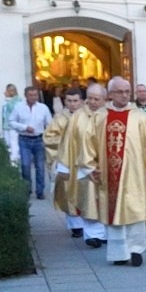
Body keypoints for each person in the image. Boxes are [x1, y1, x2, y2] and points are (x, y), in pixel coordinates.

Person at [81, 77, 146, 267]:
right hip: (109, 176)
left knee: (135, 209)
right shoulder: (100, 117)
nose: (125, 95)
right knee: (114, 213)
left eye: (127, 91)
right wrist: (90, 166)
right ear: (110, 94)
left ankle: (135, 250)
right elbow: (88, 143)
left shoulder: (140, 117)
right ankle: (118, 253)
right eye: (120, 91)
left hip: (136, 175)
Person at [58, 83, 108, 247]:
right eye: (90, 98)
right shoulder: (78, 116)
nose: (93, 102)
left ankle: (104, 233)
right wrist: (64, 167)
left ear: (104, 99)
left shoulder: (110, 115)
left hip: (106, 167)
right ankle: (92, 235)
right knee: (88, 201)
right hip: (83, 167)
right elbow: (67, 141)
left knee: (105, 200)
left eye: (97, 99)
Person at [44, 88, 85, 237]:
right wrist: (65, 146)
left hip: (85, 161)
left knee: (86, 192)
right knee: (68, 192)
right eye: (69, 101)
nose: (73, 104)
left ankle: (92, 225)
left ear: (81, 101)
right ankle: (76, 226)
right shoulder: (59, 118)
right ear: (65, 101)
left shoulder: (89, 116)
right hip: (66, 162)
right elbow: (49, 138)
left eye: (75, 101)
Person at [9, 85, 54, 199]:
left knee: (40, 166)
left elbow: (50, 124)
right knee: (25, 165)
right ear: (25, 96)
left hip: (39, 139)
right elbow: (11, 121)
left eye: (35, 95)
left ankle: (40, 191)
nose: (33, 97)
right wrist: (24, 127)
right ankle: (27, 189)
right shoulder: (18, 107)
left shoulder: (43, 108)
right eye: (31, 95)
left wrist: (48, 137)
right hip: (24, 139)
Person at [1, 83, 20, 165]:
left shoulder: (18, 100)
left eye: (12, 90)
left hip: (14, 126)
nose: (10, 92)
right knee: (7, 143)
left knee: (14, 143)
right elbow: (4, 112)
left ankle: (14, 162)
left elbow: (11, 108)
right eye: (9, 90)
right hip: (6, 126)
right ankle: (11, 159)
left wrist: (7, 98)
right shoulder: (6, 100)